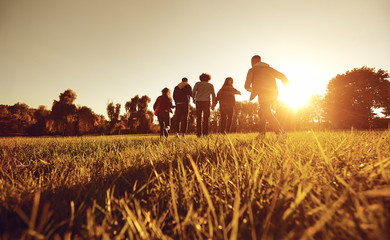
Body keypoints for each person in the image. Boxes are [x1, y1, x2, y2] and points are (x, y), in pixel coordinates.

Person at [244, 55, 289, 137]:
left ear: (253, 62)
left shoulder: (252, 70)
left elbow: (246, 86)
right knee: (261, 112)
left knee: (266, 111)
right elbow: (283, 76)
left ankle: (280, 132)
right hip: (274, 93)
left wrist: (254, 89)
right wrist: (288, 88)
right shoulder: (269, 69)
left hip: (263, 93)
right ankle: (262, 133)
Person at [192, 73, 216, 137]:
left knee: (198, 118)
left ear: (201, 78)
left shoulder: (197, 84)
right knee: (206, 118)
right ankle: (205, 134)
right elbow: (213, 95)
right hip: (206, 102)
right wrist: (213, 104)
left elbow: (193, 92)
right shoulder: (210, 85)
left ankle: (198, 134)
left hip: (199, 102)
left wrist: (193, 99)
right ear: (208, 78)